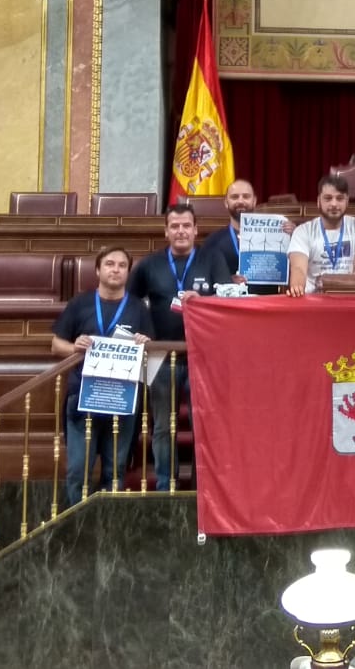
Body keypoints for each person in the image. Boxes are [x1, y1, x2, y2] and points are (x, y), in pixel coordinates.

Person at [128, 203, 227, 492]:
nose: (181, 231)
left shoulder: (213, 258)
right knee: (162, 427)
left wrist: (205, 301)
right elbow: (131, 305)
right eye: (175, 226)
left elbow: (227, 300)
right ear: (166, 231)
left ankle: (201, 487)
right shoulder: (149, 265)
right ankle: (165, 485)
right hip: (161, 355)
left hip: (203, 356)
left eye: (186, 226)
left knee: (203, 426)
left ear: (196, 230)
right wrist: (140, 334)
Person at [50, 246, 154, 504]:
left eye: (121, 265)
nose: (115, 269)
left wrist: (145, 343)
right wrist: (74, 347)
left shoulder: (138, 308)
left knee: (115, 470)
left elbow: (151, 357)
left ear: (128, 272)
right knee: (78, 470)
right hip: (83, 397)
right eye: (109, 264)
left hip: (122, 399)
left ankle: (109, 527)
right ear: (98, 270)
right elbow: (55, 345)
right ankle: (77, 525)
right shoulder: (80, 303)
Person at [196, 178, 293, 295]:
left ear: (254, 201)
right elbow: (205, 280)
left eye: (246, 196)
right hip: (229, 307)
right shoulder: (212, 242)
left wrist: (294, 237)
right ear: (226, 203)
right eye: (234, 197)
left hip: (266, 304)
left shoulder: (277, 235)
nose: (240, 201)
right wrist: (226, 281)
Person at [288, 174, 355, 296]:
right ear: (318, 201)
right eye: (328, 198)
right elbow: (298, 269)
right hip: (313, 299)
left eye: (339, 198)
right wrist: (297, 289)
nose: (334, 204)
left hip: (348, 299)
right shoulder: (303, 231)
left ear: (347, 201)